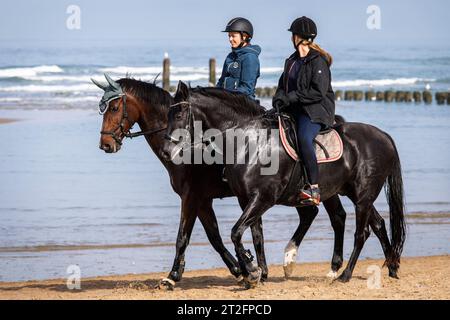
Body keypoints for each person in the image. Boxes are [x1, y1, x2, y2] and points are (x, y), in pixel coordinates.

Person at [272, 16, 335, 206]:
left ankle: (314, 188)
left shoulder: (318, 61)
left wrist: (291, 98)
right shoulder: (291, 61)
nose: (291, 38)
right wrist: (278, 98)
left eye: (293, 35)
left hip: (315, 111)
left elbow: (318, 91)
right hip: (295, 109)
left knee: (304, 139)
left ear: (298, 37)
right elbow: (282, 85)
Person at [217, 17, 261, 99]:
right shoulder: (230, 56)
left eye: (233, 36)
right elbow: (221, 82)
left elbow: (247, 89)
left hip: (243, 104)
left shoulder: (250, 58)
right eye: (229, 36)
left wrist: (225, 96)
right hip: (227, 101)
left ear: (244, 36)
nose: (230, 39)